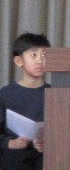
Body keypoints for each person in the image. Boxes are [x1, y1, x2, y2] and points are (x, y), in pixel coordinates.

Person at [0, 33, 51, 170]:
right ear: (19, 61)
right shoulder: (5, 94)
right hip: (13, 162)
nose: (40, 61)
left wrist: (48, 143)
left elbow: (65, 132)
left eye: (44, 55)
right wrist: (10, 143)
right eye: (34, 55)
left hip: (45, 162)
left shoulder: (55, 94)